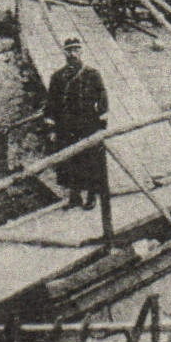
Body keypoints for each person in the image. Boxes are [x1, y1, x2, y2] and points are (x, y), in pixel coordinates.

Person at [45, 36, 110, 212]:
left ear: (81, 52)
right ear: (65, 53)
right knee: (69, 160)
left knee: (90, 160)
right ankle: (74, 197)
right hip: (66, 125)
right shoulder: (57, 77)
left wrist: (102, 122)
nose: (73, 54)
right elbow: (51, 103)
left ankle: (91, 196)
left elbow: (102, 98)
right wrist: (51, 127)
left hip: (88, 123)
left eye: (76, 50)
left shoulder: (92, 74)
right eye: (70, 51)